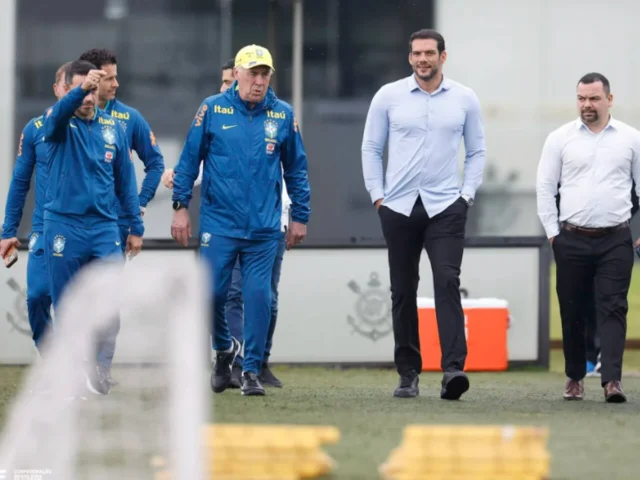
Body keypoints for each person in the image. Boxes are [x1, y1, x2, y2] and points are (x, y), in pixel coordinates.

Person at [170, 44, 310, 396]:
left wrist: (299, 216)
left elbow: (296, 169)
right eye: (253, 74)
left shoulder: (282, 114)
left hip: (264, 228)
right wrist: (180, 206)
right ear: (237, 74)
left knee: (259, 297)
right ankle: (224, 347)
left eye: (265, 75)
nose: (259, 81)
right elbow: (189, 160)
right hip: (219, 224)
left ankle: (250, 370)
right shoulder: (212, 108)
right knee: (211, 294)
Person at [361, 29, 486, 400]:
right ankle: (408, 373)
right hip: (397, 207)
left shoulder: (465, 98)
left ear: (442, 56)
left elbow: (476, 151)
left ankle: (453, 370)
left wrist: (466, 196)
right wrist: (378, 197)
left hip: (446, 207)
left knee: (447, 282)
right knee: (402, 290)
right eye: (416, 53)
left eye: (429, 53)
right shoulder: (388, 96)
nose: (422, 59)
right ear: (410, 57)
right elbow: (371, 148)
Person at [536, 72, 640, 403]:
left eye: (594, 98)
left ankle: (612, 381)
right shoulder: (559, 138)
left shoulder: (631, 139)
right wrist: (553, 234)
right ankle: (575, 377)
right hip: (571, 238)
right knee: (572, 310)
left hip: (616, 238)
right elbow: (545, 188)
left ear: (609, 99)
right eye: (581, 98)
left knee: (614, 307)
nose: (587, 105)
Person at [42, 60, 144, 395]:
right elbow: (56, 117)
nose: (88, 98)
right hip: (64, 226)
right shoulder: (58, 121)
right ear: (69, 90)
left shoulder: (113, 127)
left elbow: (126, 182)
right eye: (81, 90)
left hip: (104, 227)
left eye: (92, 90)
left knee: (110, 299)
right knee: (67, 303)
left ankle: (100, 366)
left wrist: (135, 227)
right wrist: (80, 90)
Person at [78, 48, 164, 386]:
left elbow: (155, 163)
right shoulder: (67, 116)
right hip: (73, 224)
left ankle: (101, 367)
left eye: (116, 77)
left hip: (114, 225)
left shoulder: (129, 119)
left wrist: (138, 206)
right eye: (109, 78)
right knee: (71, 297)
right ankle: (75, 365)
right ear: (92, 78)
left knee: (108, 297)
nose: (116, 84)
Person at [0, 62, 70, 353]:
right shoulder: (35, 129)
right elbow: (20, 181)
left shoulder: (95, 128)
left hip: (84, 229)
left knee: (73, 305)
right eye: (67, 87)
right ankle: (52, 360)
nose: (73, 93)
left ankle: (83, 366)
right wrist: (8, 231)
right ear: (57, 89)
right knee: (38, 296)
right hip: (45, 228)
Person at [556, 186, 639, 378]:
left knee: (610, 300)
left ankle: (603, 357)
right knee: (580, 300)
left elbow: (633, 194)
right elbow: (555, 191)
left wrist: (615, 216)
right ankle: (588, 356)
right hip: (576, 235)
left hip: (613, 235)